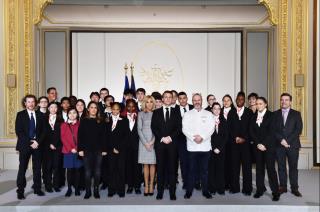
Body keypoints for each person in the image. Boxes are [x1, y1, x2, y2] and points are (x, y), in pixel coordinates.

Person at [182, 93, 215, 199]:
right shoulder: (187, 114)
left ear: (202, 101)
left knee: (204, 171)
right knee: (191, 170)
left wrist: (202, 137)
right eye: (195, 100)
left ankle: (205, 191)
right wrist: (193, 138)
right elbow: (184, 129)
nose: (197, 102)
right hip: (192, 147)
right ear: (192, 101)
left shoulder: (209, 114)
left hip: (205, 147)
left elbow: (211, 128)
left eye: (199, 100)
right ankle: (189, 191)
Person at [151, 91, 181, 200]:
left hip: (172, 145)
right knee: (160, 169)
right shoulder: (156, 112)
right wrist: (162, 138)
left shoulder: (176, 111)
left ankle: (172, 192)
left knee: (172, 169)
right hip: (160, 144)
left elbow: (179, 127)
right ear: (162, 99)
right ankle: (160, 192)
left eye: (170, 97)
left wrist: (170, 137)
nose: (168, 99)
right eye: (166, 97)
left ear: (172, 99)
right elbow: (154, 127)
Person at [15, 95, 46, 199]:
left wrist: (37, 142)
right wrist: (30, 142)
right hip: (25, 145)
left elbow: (44, 131)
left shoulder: (41, 115)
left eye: (33, 101)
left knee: (37, 168)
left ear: (36, 103)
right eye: (28, 102)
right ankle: (20, 190)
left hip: (38, 145)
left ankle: (37, 189)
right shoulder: (20, 115)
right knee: (22, 168)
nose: (31, 104)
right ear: (25, 103)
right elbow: (19, 131)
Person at [250, 97, 280, 201]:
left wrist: (264, 144)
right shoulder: (253, 116)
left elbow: (272, 132)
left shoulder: (272, 115)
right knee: (259, 169)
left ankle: (275, 192)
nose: (258, 105)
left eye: (261, 103)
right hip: (258, 147)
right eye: (257, 104)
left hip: (269, 147)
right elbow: (251, 131)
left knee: (271, 170)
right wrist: (258, 144)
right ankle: (260, 189)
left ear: (265, 104)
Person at [274, 93, 303, 197]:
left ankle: (294, 188)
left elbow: (298, 129)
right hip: (279, 145)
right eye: (282, 100)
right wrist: (281, 140)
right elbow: (273, 130)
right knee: (281, 167)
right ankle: (283, 187)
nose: (284, 102)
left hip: (293, 145)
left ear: (290, 102)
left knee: (293, 167)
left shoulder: (296, 114)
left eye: (286, 100)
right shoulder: (275, 114)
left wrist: (287, 141)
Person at [78, 101, 107, 199]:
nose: (93, 109)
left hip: (98, 149)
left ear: (97, 110)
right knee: (88, 171)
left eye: (95, 107)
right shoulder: (84, 120)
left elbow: (104, 137)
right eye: (91, 107)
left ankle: (95, 190)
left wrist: (104, 149)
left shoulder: (101, 121)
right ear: (88, 109)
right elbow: (80, 136)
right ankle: (88, 191)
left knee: (97, 171)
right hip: (86, 149)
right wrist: (80, 149)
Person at [229, 91, 253, 196]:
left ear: (244, 101)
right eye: (238, 99)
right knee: (234, 166)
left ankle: (247, 189)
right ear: (236, 100)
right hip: (234, 144)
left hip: (246, 145)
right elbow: (228, 128)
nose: (240, 101)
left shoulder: (249, 112)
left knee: (247, 167)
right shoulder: (231, 112)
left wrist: (244, 139)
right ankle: (235, 188)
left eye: (242, 99)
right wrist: (235, 138)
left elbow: (251, 129)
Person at [107, 102, 129, 198]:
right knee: (111, 170)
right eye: (114, 109)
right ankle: (111, 189)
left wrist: (118, 148)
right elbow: (105, 136)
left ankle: (121, 190)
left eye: (117, 109)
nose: (115, 111)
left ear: (120, 110)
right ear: (111, 109)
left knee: (121, 170)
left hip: (121, 150)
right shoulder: (107, 120)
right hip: (110, 149)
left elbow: (126, 136)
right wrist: (112, 148)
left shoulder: (124, 120)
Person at [60, 107, 83, 197]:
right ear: (67, 115)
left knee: (77, 170)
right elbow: (63, 138)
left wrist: (77, 148)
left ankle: (77, 188)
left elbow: (82, 138)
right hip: (67, 151)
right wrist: (70, 148)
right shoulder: (64, 125)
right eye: (70, 113)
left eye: (74, 113)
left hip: (78, 151)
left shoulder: (80, 124)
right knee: (69, 171)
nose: (72, 115)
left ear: (77, 114)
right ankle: (69, 188)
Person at [137, 95, 156, 196]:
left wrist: (152, 141)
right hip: (143, 142)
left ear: (153, 103)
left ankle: (151, 185)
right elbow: (139, 129)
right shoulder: (140, 114)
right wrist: (145, 143)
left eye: (151, 102)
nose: (149, 103)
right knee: (145, 165)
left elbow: (158, 130)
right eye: (147, 102)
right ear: (144, 103)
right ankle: (146, 186)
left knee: (153, 164)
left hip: (153, 141)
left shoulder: (157, 114)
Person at [208, 102, 228, 195]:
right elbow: (207, 135)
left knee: (221, 169)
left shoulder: (224, 120)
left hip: (221, 149)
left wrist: (219, 148)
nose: (217, 110)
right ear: (212, 110)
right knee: (211, 169)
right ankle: (212, 188)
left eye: (218, 109)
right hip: (211, 149)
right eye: (215, 108)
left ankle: (221, 188)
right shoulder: (208, 120)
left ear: (221, 110)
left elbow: (225, 136)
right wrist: (213, 147)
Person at [44, 102, 64, 193]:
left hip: (58, 146)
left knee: (57, 166)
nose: (53, 109)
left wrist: (55, 144)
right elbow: (43, 133)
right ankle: (48, 185)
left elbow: (62, 134)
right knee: (48, 167)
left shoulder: (61, 119)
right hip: (47, 146)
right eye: (51, 107)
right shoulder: (44, 119)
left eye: (55, 107)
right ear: (48, 108)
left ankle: (56, 185)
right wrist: (49, 144)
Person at [123, 99, 142, 194]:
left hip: (137, 146)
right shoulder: (122, 118)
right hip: (126, 147)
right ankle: (130, 186)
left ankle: (137, 186)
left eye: (133, 106)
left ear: (136, 107)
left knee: (137, 167)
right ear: (126, 107)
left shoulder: (139, 117)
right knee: (128, 166)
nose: (131, 108)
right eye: (129, 106)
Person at [176, 91, 194, 189]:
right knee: (183, 161)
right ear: (178, 100)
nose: (182, 100)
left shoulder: (193, 108)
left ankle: (195, 181)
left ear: (187, 98)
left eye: (184, 98)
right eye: (180, 98)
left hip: (193, 139)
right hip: (180, 140)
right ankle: (185, 182)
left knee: (193, 161)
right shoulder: (174, 110)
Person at [221, 94, 236, 190]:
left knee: (232, 164)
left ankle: (231, 183)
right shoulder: (219, 111)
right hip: (222, 142)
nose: (226, 102)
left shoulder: (235, 112)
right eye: (224, 100)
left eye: (228, 100)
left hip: (232, 142)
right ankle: (224, 183)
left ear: (231, 102)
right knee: (223, 163)